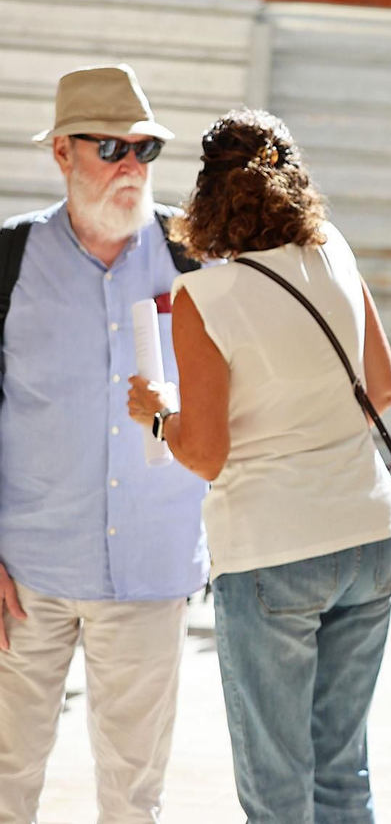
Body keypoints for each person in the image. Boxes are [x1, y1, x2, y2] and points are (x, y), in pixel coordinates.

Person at [126, 110, 391, 823]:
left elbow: (206, 453)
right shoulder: (334, 251)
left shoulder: (204, 298)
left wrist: (158, 413)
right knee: (343, 771)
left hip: (270, 550)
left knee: (276, 788)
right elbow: (381, 389)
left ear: (209, 195)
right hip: (368, 533)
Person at [0, 65, 208, 824]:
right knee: (5, 777)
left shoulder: (198, 257)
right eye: (111, 148)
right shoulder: (11, 258)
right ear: (62, 152)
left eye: (144, 150)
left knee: (133, 796)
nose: (131, 167)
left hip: (153, 569)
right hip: (27, 575)